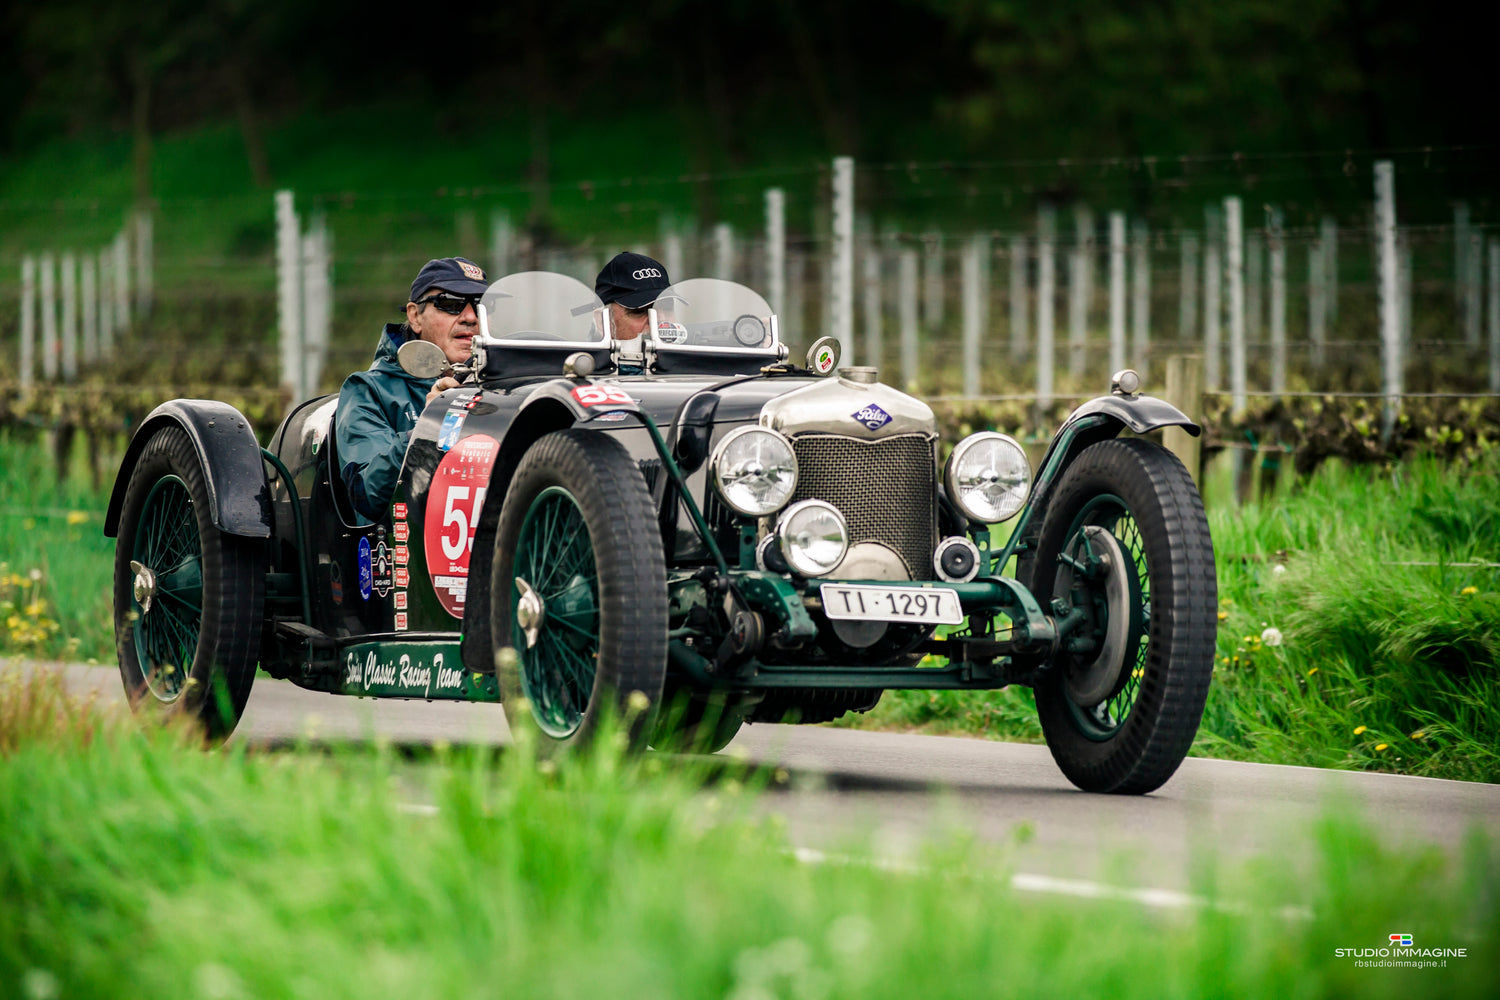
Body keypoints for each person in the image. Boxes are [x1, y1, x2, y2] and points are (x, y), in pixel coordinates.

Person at [335, 256, 488, 521]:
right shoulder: (369, 390)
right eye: (451, 304)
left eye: (482, 306)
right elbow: (369, 494)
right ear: (415, 316)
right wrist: (429, 425)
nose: (470, 317)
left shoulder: (505, 390)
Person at [594, 251, 671, 341]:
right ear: (602, 322)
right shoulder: (581, 354)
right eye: (639, 311)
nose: (661, 319)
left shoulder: (689, 350)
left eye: (667, 308)